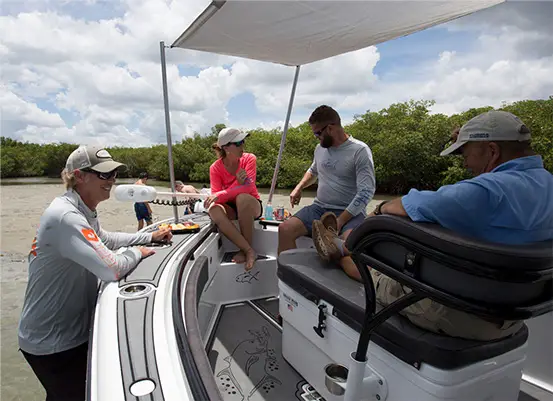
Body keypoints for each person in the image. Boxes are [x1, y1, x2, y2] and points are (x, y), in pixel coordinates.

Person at [311, 110, 553, 341]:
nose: (466, 163)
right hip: (511, 315)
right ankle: (342, 244)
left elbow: (406, 205)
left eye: (466, 153)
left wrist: (380, 209)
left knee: (371, 264)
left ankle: (339, 249)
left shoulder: (485, 193)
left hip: (459, 313)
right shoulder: (546, 185)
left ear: (492, 151)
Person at [18, 145, 172, 401]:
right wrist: (139, 253)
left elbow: (103, 239)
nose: (111, 180)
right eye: (103, 174)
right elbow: (111, 268)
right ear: (79, 176)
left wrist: (148, 236)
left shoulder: (81, 209)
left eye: (113, 174)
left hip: (64, 335)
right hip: (53, 341)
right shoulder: (66, 216)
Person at [277, 105, 376, 276]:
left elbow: (366, 192)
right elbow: (313, 171)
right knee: (285, 229)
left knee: (350, 245)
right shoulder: (320, 149)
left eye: (317, 133)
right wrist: (298, 188)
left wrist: (340, 221)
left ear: (330, 128)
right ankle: (290, 279)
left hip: (350, 212)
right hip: (319, 208)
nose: (316, 138)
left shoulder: (359, 151)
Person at [205, 127, 262, 270]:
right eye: (238, 143)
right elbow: (217, 198)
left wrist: (224, 193)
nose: (242, 145)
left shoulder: (249, 159)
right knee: (214, 210)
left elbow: (249, 188)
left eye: (242, 141)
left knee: (242, 198)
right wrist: (238, 184)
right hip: (230, 207)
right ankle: (248, 250)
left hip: (251, 204)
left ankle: (245, 251)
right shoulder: (215, 168)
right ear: (225, 148)